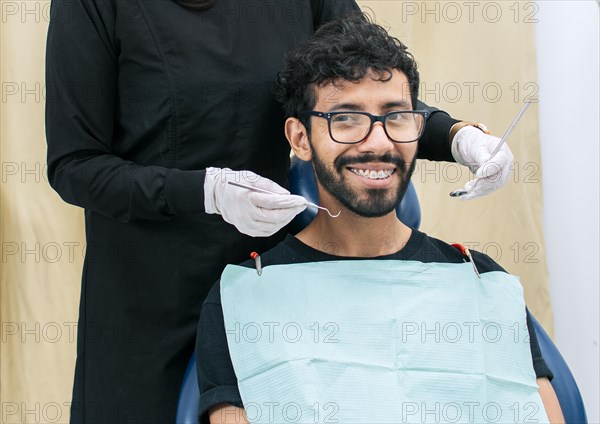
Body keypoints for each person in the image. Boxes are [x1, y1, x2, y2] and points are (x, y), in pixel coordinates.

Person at [45, 0, 513, 422]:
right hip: (149, 293)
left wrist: (454, 136)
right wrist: (204, 191)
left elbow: (364, 77)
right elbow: (74, 164)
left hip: (275, 281)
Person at [196, 14, 564, 424]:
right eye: (346, 119)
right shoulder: (245, 297)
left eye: (395, 117)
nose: (378, 141)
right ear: (300, 138)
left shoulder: (479, 280)